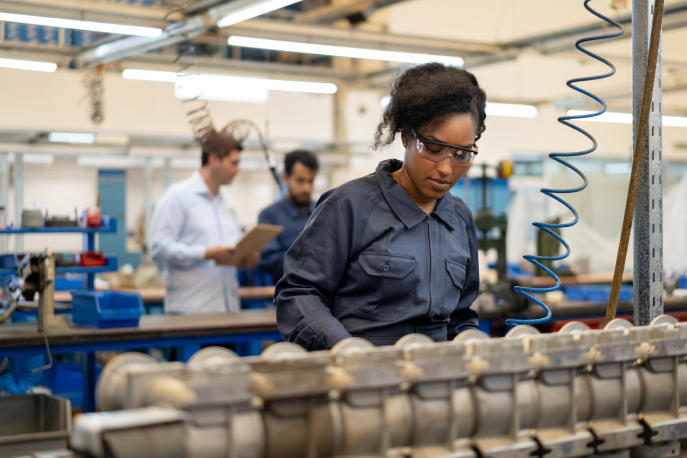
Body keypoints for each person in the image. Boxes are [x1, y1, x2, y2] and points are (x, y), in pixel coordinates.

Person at [275, 63, 485, 350]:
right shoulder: (350, 206)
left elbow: (460, 316)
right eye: (434, 149)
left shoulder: (459, 219)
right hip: (361, 378)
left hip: (438, 381)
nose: (447, 169)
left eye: (462, 154)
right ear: (407, 136)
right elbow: (299, 293)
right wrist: (345, 351)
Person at [149, 122, 259, 314]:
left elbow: (229, 254)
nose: (238, 170)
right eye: (234, 163)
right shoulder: (177, 197)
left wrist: (244, 259)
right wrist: (206, 253)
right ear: (214, 160)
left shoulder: (227, 204)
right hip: (190, 314)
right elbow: (158, 248)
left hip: (228, 312)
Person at [258, 150, 319, 282]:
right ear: (285, 178)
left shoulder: (322, 211)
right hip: (286, 295)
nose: (306, 188)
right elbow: (270, 261)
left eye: (311, 181)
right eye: (300, 180)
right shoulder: (269, 215)